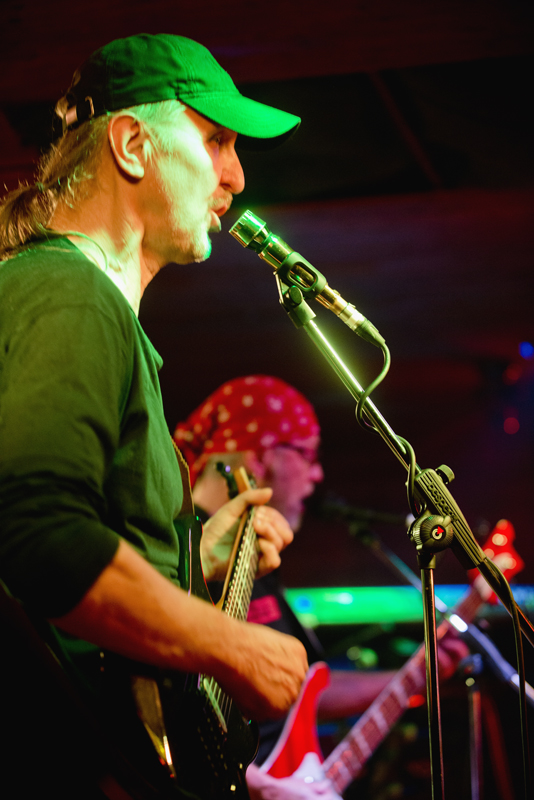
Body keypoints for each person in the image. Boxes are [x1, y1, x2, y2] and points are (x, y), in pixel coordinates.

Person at [0, 34, 309, 799]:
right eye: (216, 140)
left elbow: (81, 552)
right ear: (132, 144)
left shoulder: (91, 309)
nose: (236, 175)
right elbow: (36, 531)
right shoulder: (71, 294)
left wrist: (197, 558)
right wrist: (230, 645)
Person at [175, 374, 469, 800]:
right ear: (261, 454)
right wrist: (258, 785)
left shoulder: (254, 547)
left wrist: (414, 675)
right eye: (307, 454)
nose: (317, 475)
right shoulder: (179, 545)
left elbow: (305, 689)